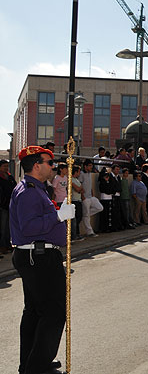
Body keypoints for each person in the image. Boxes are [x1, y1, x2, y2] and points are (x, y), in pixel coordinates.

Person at [10, 146, 76, 374]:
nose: (53, 167)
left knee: (36, 312)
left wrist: (58, 212)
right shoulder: (29, 191)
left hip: (37, 255)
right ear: (36, 165)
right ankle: (37, 367)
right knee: (54, 312)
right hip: (38, 257)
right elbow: (29, 227)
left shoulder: (36, 189)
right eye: (49, 163)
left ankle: (32, 362)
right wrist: (58, 215)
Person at [78, 159, 103, 237]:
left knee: (100, 208)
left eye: (91, 166)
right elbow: (80, 185)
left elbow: (90, 185)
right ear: (85, 166)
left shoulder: (89, 174)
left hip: (91, 197)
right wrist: (83, 197)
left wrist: (92, 194)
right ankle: (90, 232)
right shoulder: (81, 174)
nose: (91, 167)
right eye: (89, 166)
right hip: (85, 198)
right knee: (87, 216)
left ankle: (85, 215)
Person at [0, 159, 17, 255]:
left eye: (7, 166)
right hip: (2, 206)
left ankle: (8, 244)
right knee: (2, 228)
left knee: (8, 227)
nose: (6, 168)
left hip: (10, 205)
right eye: (4, 166)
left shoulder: (10, 177)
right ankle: (2, 246)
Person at [70, 165, 85, 241]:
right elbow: (78, 189)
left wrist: (80, 189)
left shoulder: (77, 180)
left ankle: (77, 233)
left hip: (79, 200)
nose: (79, 173)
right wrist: (80, 189)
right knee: (76, 218)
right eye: (79, 172)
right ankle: (75, 234)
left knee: (79, 217)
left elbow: (82, 190)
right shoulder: (71, 179)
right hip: (74, 200)